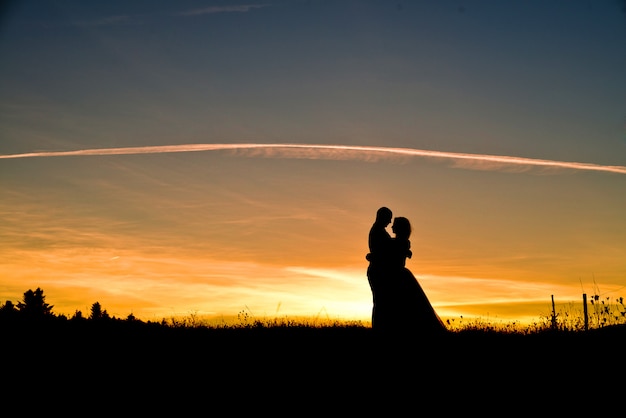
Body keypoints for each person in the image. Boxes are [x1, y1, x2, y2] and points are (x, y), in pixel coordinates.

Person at [387, 216, 447, 335]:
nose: (392, 226)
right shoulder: (400, 242)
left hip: (398, 276)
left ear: (399, 228)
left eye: (394, 225)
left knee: (404, 306)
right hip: (399, 275)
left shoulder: (398, 242)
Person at [366, 207, 393, 331]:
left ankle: (381, 328)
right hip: (378, 271)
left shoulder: (379, 230)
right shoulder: (378, 231)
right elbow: (383, 251)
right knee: (381, 302)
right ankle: (379, 329)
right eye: (389, 218)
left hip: (378, 270)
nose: (390, 222)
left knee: (381, 302)